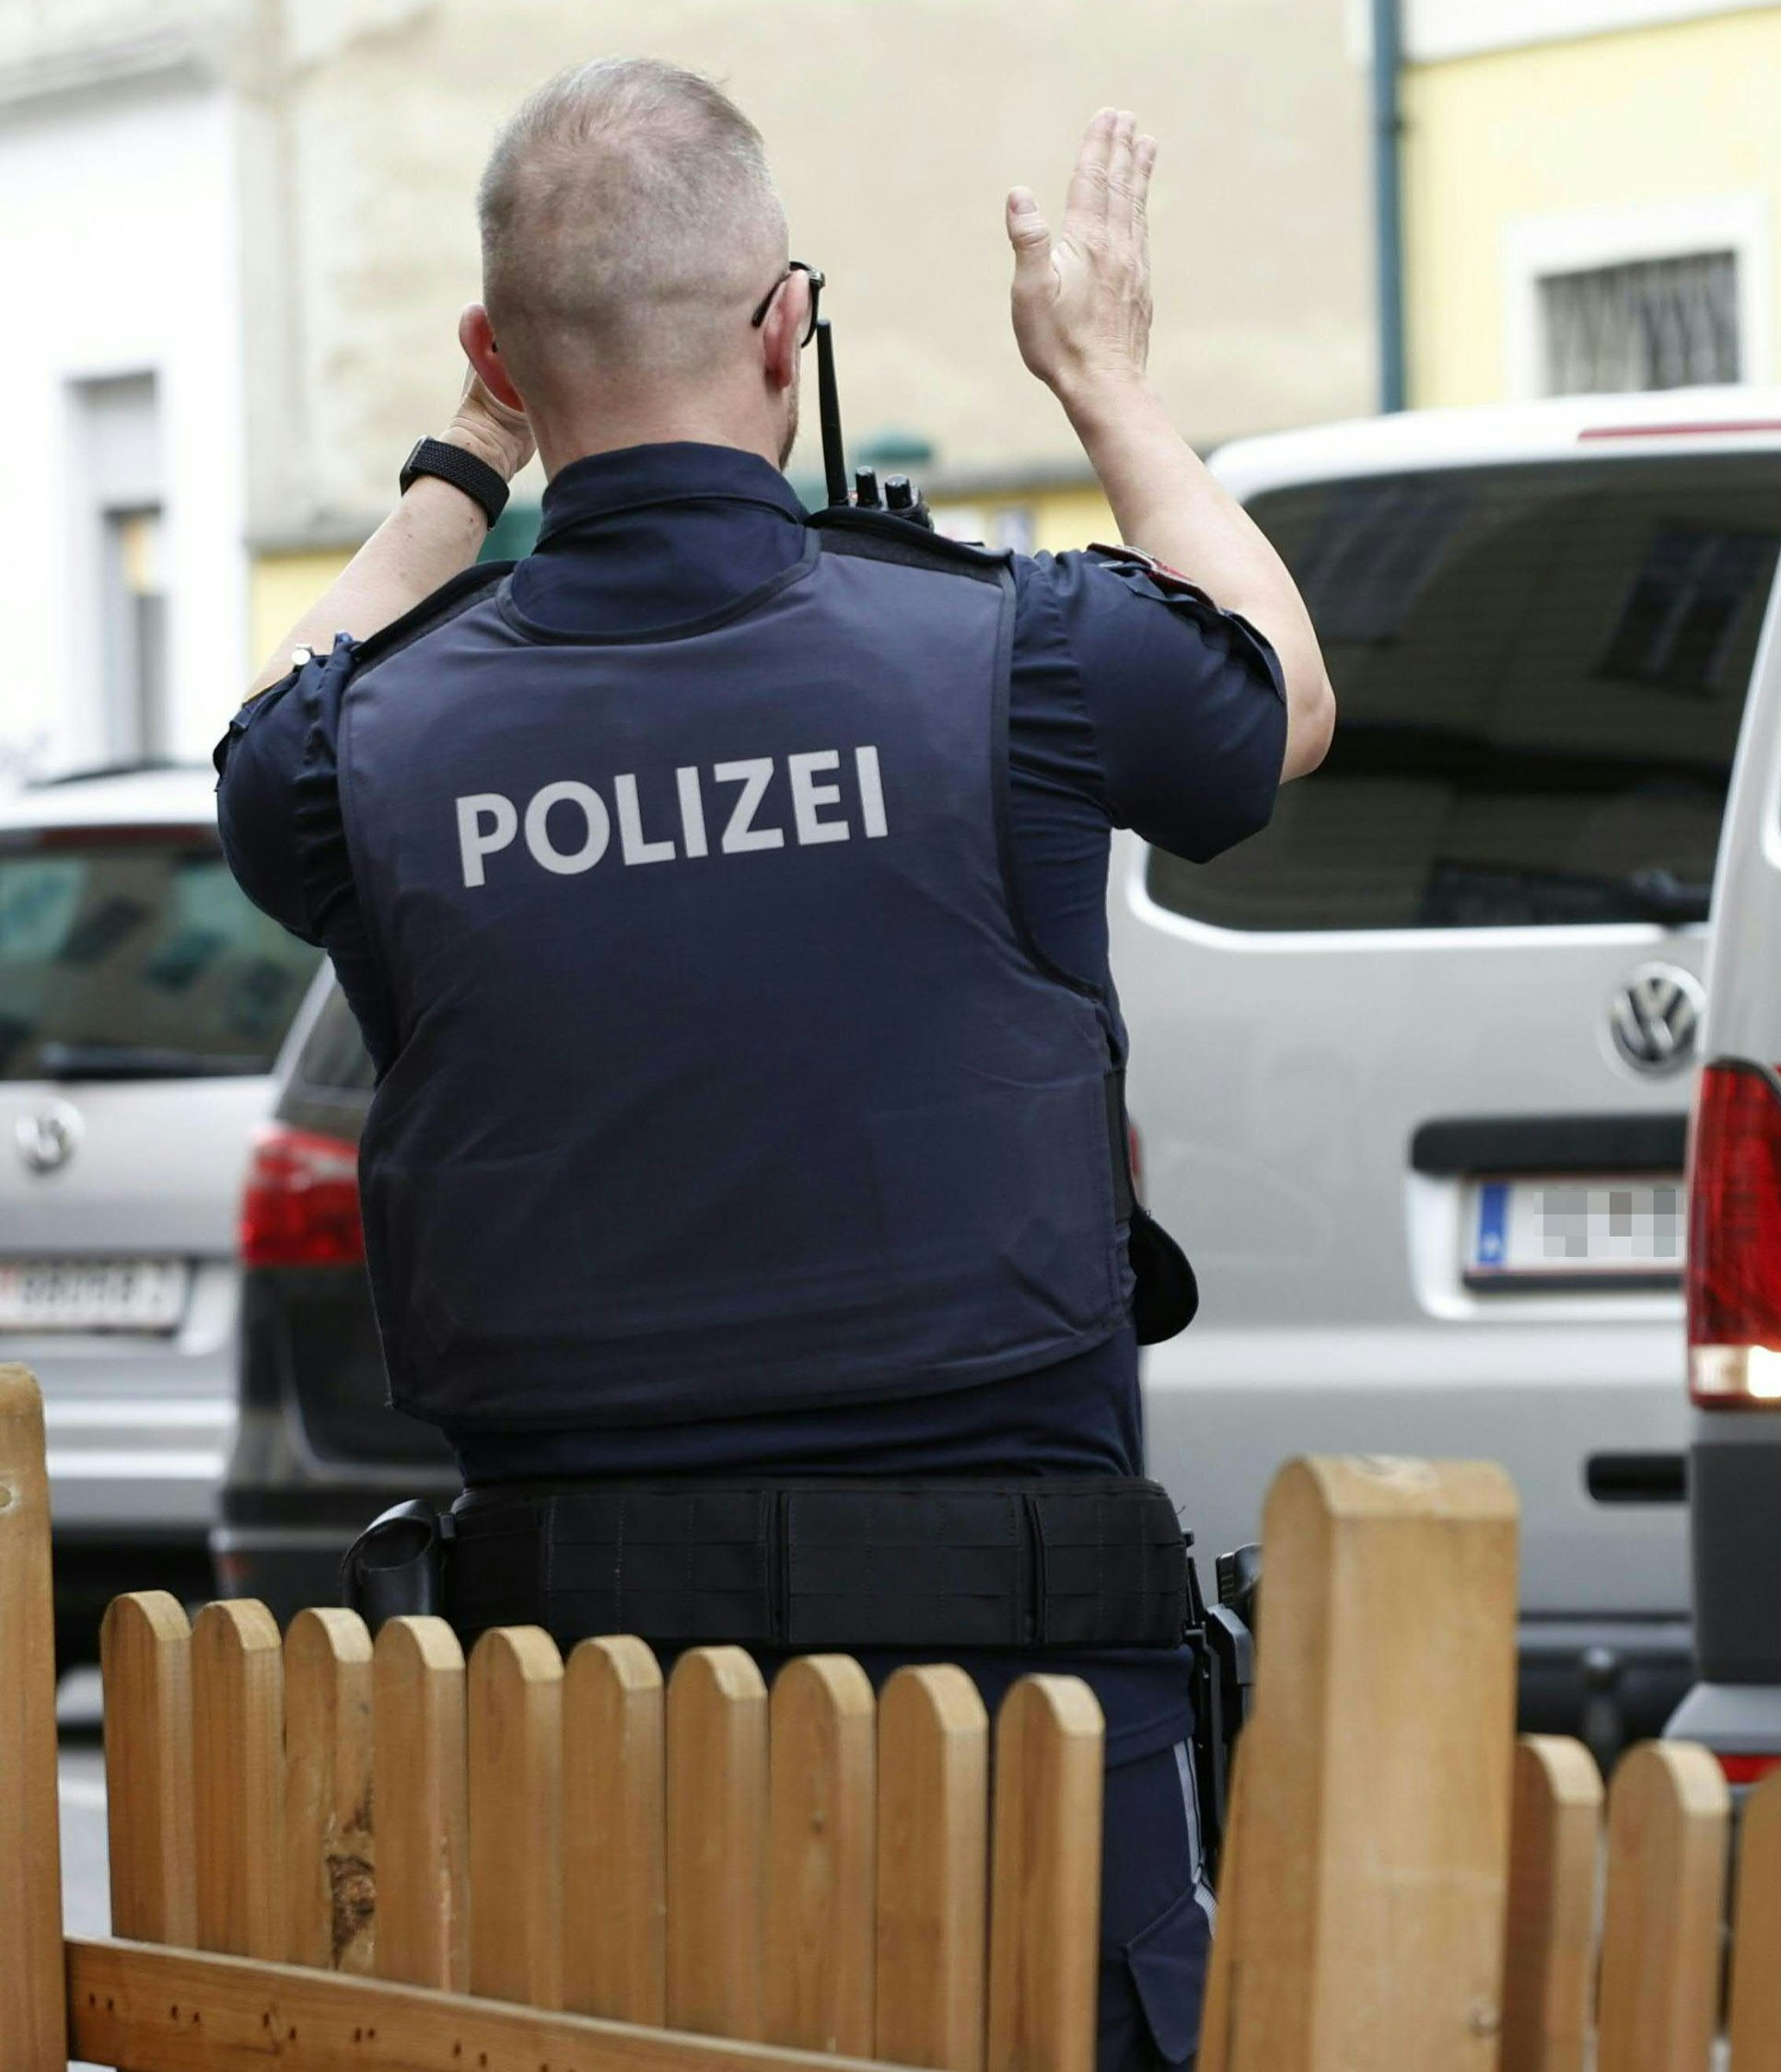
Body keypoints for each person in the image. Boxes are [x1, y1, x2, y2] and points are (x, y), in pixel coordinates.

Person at [216, 61, 1329, 2072]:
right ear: (783, 332)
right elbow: (1285, 695)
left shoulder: (361, 755)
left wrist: (460, 462)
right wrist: (1103, 379)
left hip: (585, 1743)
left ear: (496, 349)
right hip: (1024, 1737)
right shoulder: (1022, 654)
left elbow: (267, 725)